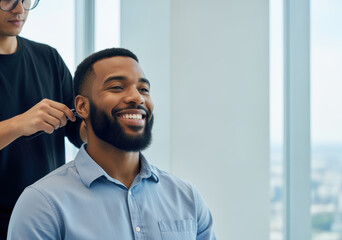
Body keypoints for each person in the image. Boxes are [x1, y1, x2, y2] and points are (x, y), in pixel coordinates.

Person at [7, 48, 216, 239]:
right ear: (81, 106)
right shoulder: (42, 205)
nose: (137, 98)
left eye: (144, 89)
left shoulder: (187, 198)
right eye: (117, 87)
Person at [0, 0, 85, 238]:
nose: (19, 10)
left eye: (26, 0)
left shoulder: (48, 58)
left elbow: (79, 131)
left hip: (46, 216)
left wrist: (103, 120)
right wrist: (19, 124)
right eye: (7, 0)